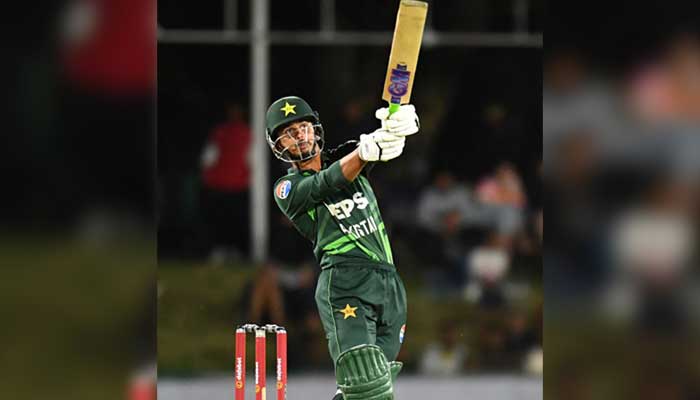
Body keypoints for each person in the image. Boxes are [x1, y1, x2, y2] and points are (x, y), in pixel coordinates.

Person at [266, 96, 419, 400]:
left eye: (304, 127)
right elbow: (326, 183)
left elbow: (387, 146)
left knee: (373, 388)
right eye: (289, 132)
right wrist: (364, 151)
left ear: (316, 130)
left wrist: (399, 127)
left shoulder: (350, 156)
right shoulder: (287, 189)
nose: (299, 135)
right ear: (277, 144)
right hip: (345, 284)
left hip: (389, 283)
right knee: (365, 384)